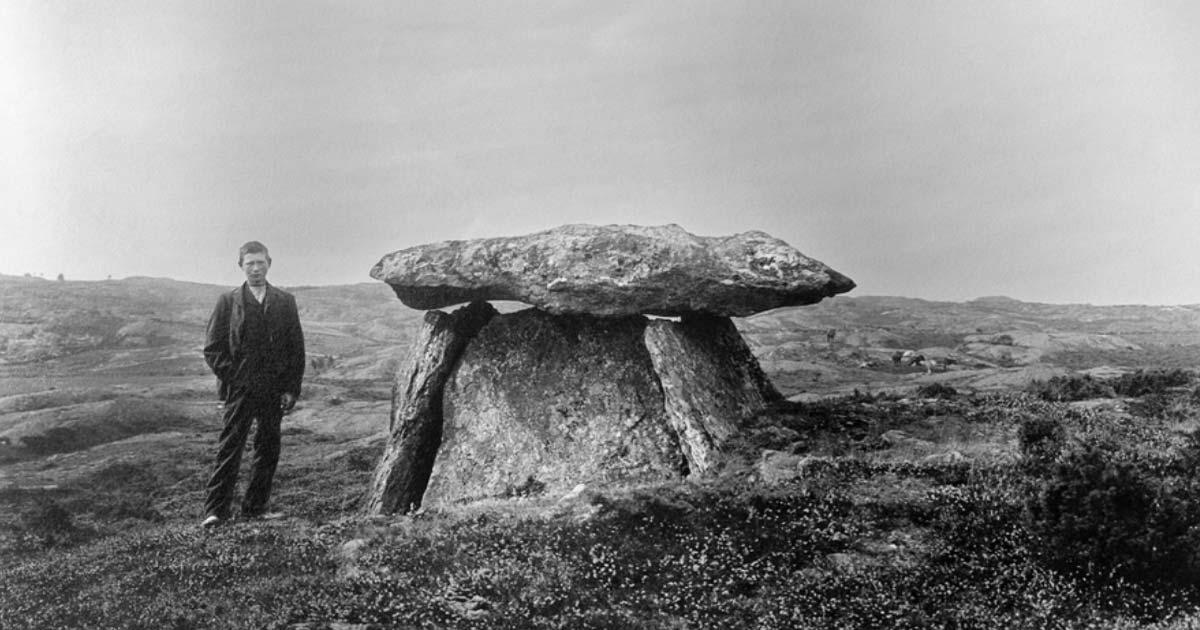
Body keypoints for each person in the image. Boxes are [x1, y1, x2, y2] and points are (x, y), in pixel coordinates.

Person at [200, 241, 305, 528]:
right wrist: (236, 378)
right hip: (239, 390)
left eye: (260, 263)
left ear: (269, 263)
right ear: (241, 267)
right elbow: (213, 350)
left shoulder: (285, 301)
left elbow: (296, 349)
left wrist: (291, 388)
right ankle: (215, 511)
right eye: (250, 264)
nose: (256, 269)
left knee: (268, 447)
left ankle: (255, 508)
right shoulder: (227, 302)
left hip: (273, 389)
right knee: (230, 448)